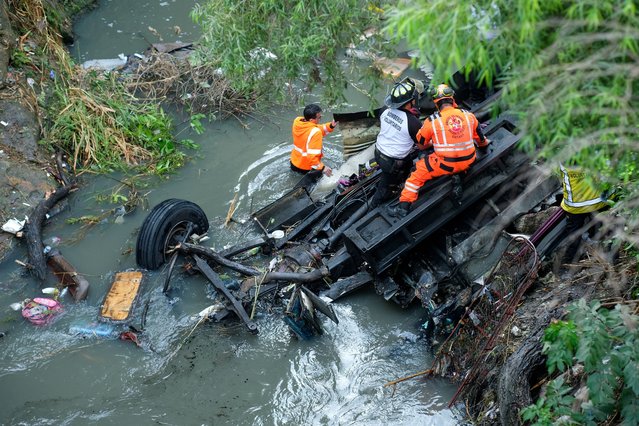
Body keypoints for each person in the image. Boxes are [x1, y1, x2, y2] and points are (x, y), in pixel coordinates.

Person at [391, 83, 490, 217]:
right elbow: (481, 139)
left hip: (445, 165)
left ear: (436, 104)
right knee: (459, 158)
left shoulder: (432, 121)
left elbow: (421, 144)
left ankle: (403, 207)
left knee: (416, 174)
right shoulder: (468, 115)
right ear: (452, 99)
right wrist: (484, 145)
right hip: (469, 160)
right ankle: (458, 175)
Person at [370, 78, 425, 208]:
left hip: (378, 153)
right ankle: (374, 205)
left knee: (408, 164)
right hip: (392, 162)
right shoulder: (413, 122)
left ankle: (403, 180)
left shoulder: (384, 110)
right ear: (411, 102)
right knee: (385, 187)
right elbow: (422, 146)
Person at [559, 164, 613, 264]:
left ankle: (570, 263)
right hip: (600, 201)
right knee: (606, 228)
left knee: (573, 233)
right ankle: (613, 258)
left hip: (575, 205)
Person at [290, 104, 337, 180]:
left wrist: (331, 126)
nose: (320, 118)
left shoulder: (297, 122)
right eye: (319, 117)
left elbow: (314, 128)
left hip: (294, 163)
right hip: (307, 168)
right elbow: (312, 158)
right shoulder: (316, 132)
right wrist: (323, 168)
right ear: (312, 120)